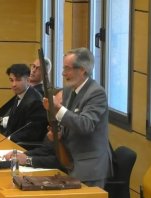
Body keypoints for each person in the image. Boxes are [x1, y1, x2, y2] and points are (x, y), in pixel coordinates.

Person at [42, 47, 112, 188]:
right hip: (70, 160)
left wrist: (58, 108)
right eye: (63, 68)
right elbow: (70, 119)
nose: (63, 73)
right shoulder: (69, 89)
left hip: (90, 166)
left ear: (82, 70)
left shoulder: (96, 93)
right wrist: (59, 131)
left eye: (67, 68)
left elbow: (85, 125)